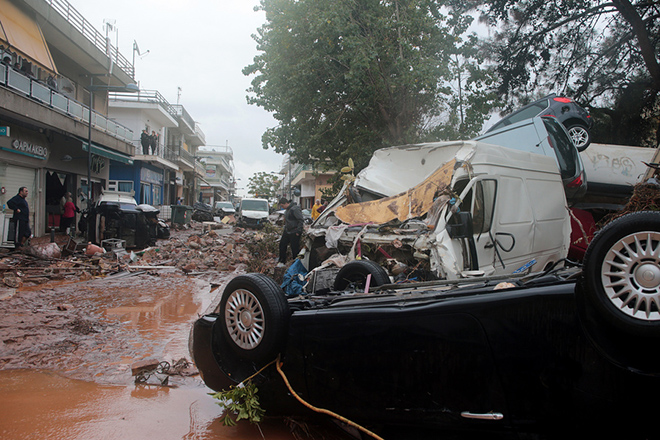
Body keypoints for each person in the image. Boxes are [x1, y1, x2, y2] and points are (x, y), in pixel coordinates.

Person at [277, 197, 304, 268]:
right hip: (287, 231)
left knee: (294, 248)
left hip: (294, 231)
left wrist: (298, 231)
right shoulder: (287, 210)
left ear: (286, 203)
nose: (282, 208)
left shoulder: (295, 209)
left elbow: (300, 220)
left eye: (282, 206)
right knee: (282, 245)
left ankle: (296, 264)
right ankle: (282, 261)